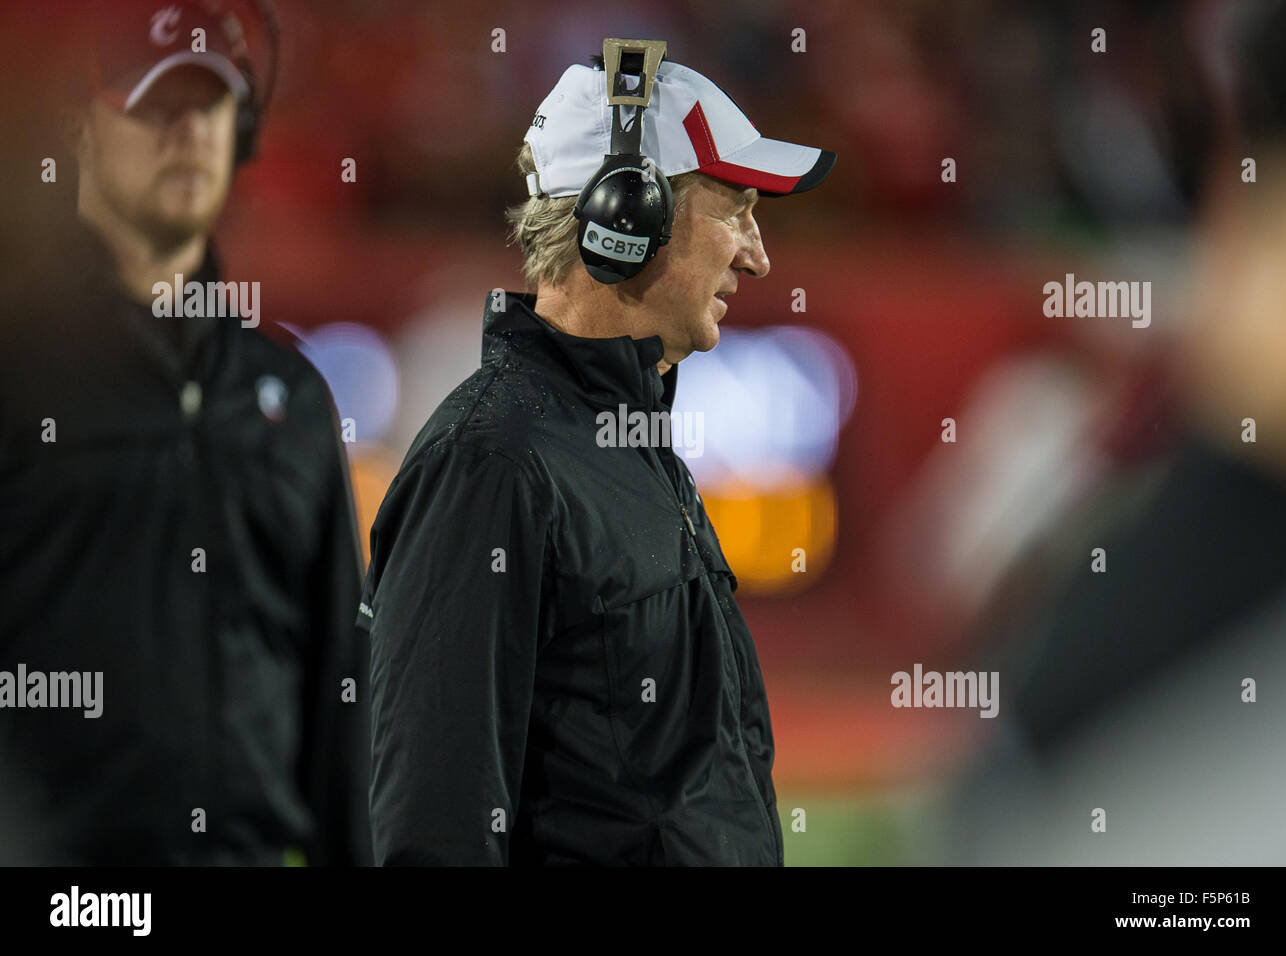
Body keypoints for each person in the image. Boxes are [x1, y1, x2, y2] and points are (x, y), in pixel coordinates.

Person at [362, 43, 835, 865]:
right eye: (735, 209)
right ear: (628, 216)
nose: (758, 254)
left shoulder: (635, 451)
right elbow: (435, 833)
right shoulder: (490, 463)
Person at [0, 0, 371, 865]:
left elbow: (339, 702)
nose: (187, 134)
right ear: (80, 130)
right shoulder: (16, 375)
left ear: (240, 129)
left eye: (208, 105)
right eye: (152, 104)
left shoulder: (290, 397)